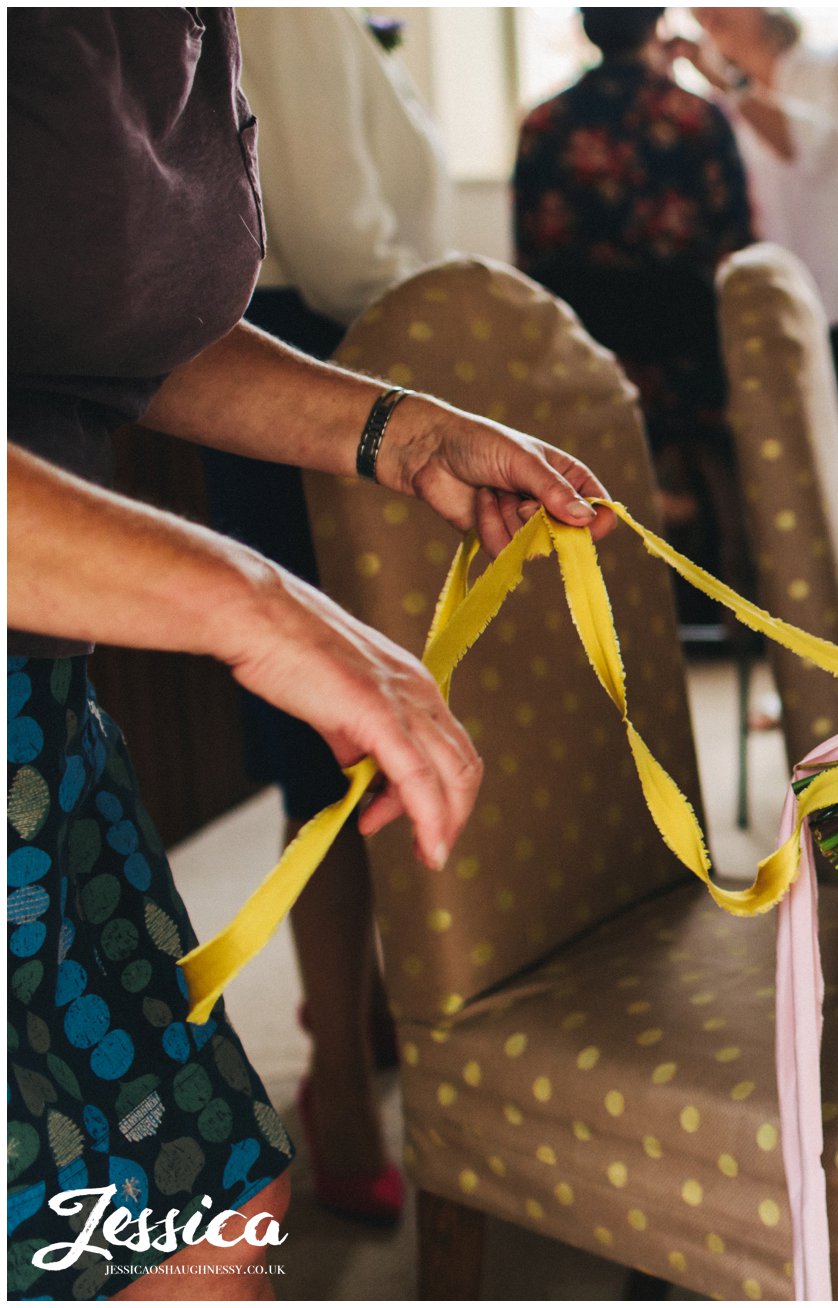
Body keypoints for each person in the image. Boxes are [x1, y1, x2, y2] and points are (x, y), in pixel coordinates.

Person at [8, 10, 613, 1298]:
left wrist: (399, 433)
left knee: (214, 1205)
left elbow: (95, 322)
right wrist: (258, 603)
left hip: (36, 700)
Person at [197, 6, 455, 1226]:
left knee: (382, 715)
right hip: (314, 377)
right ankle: (339, 1082)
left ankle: (361, 1014)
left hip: (356, 373)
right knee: (333, 739)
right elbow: (343, 247)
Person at [680, 7, 838, 641]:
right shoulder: (723, 106)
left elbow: (820, 153)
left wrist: (731, 89)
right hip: (794, 316)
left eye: (718, 13)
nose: (708, 22)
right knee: (821, 488)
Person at [514, 7, 754, 624]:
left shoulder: (544, 124)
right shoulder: (696, 118)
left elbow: (531, 255)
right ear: (655, 28)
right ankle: (737, 612)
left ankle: (588, 610)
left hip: (586, 359)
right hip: (686, 354)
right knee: (716, 438)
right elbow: (736, 243)